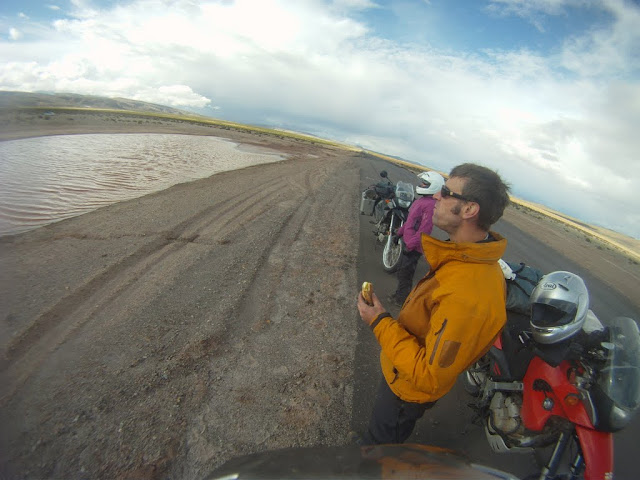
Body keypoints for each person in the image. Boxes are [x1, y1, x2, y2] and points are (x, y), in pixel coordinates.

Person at [356, 163, 511, 445]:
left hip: (407, 388)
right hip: (402, 370)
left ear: (469, 209)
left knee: (379, 447)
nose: (437, 196)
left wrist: (378, 321)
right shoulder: (465, 258)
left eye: (447, 192)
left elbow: (428, 376)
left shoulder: (468, 292)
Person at [388, 171, 445, 306]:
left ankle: (401, 300)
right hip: (408, 243)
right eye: (422, 183)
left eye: (425, 183)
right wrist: (399, 234)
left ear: (433, 186)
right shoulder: (421, 201)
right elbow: (409, 222)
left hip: (414, 247)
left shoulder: (430, 205)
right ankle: (399, 295)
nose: (421, 185)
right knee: (402, 272)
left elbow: (425, 229)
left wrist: (411, 245)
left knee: (406, 275)